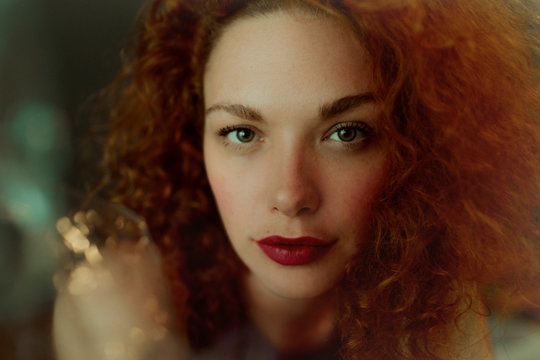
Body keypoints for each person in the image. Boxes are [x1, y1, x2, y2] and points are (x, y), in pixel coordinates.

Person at [53, 0, 540, 359]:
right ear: (190, 139)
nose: (290, 195)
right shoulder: (118, 301)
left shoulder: (471, 322)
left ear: (416, 151)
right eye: (242, 133)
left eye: (346, 133)